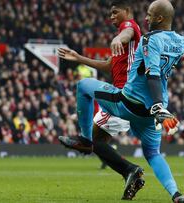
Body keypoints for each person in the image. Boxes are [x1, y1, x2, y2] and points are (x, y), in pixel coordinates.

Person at [59, 0, 184, 202]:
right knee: (153, 154)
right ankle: (177, 195)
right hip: (152, 111)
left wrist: (156, 105)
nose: (146, 18)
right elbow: (153, 71)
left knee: (83, 86)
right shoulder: (181, 41)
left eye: (150, 14)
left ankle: (84, 140)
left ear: (159, 18)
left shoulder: (145, 37)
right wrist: (158, 106)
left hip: (129, 101)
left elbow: (151, 71)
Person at [58, 0, 145, 200]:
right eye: (110, 14)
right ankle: (131, 172)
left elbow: (127, 32)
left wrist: (118, 38)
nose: (111, 17)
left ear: (127, 11)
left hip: (124, 96)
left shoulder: (129, 27)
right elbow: (108, 66)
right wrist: (79, 58)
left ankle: (128, 168)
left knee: (93, 138)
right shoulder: (127, 47)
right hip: (125, 95)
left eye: (115, 12)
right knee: (98, 142)